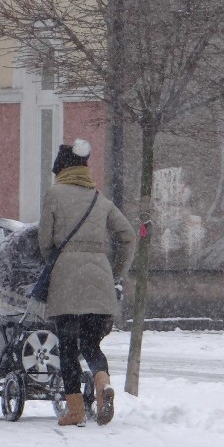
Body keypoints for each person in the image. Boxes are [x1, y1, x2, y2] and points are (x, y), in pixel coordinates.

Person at [38, 139, 137, 427]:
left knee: (68, 346)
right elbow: (128, 236)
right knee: (91, 344)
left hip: (66, 278)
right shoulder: (100, 199)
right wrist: (115, 271)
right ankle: (102, 381)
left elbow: (45, 240)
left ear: (62, 169)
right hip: (99, 278)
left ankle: (75, 411)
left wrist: (53, 262)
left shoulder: (54, 195)